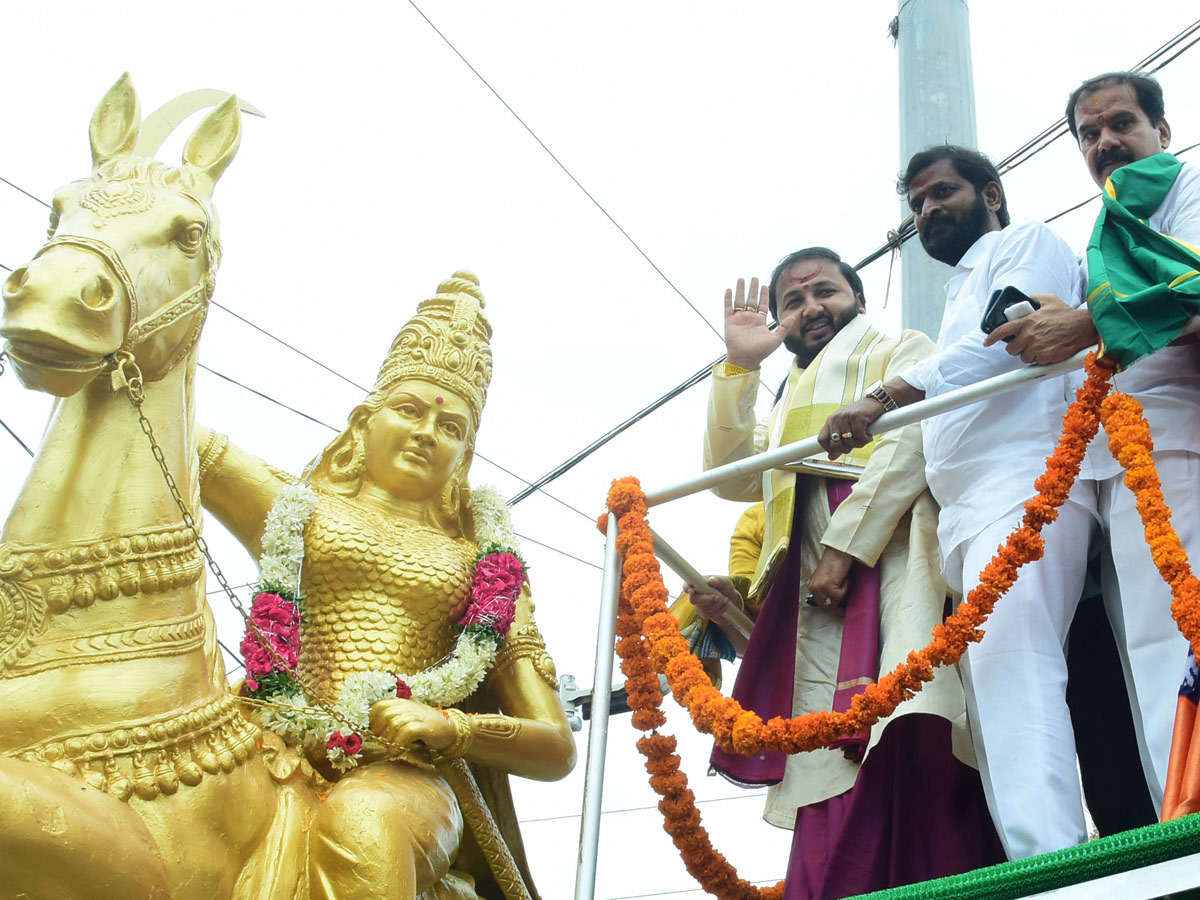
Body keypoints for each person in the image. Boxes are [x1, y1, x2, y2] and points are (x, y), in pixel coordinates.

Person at [197, 272, 576, 899]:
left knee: (364, 818)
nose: (429, 431)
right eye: (409, 409)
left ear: (464, 457)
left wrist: (452, 728)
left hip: (406, 777)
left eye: (451, 426)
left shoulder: (485, 568)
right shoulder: (299, 508)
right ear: (363, 423)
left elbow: (555, 746)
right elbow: (178, 436)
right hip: (270, 738)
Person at [700, 248, 1001, 899]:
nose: (811, 308)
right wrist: (740, 368)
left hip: (887, 567)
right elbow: (730, 474)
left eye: (825, 292)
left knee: (908, 731)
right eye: (793, 301)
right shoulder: (786, 407)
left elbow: (912, 441)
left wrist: (845, 547)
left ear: (858, 301)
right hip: (815, 607)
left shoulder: (902, 348)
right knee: (823, 772)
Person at [982, 71, 1200, 823]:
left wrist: (1083, 325)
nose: (1105, 142)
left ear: (1162, 133)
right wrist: (1070, 315)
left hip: (1175, 439)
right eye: (1089, 133)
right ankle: (1178, 820)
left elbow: (1194, 296)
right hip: (1113, 456)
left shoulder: (1190, 191)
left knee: (1178, 636)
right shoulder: (1108, 227)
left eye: (1122, 124)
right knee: (1144, 656)